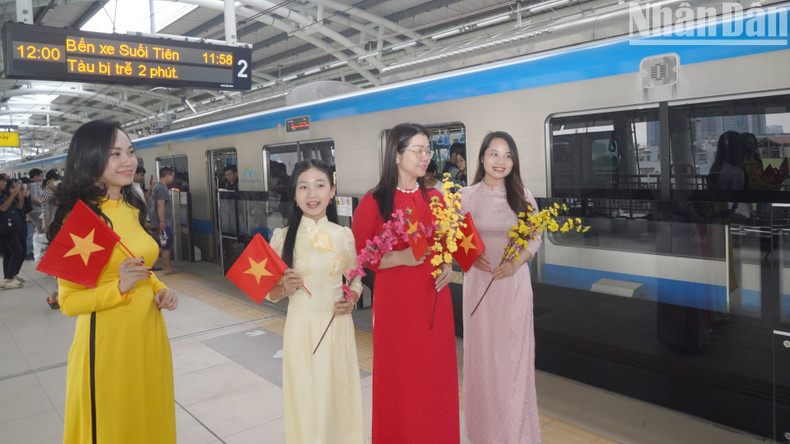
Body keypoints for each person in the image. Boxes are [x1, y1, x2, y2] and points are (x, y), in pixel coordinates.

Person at [50, 119, 178, 443]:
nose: (127, 161)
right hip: (108, 344)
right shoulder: (82, 218)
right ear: (90, 158)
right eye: (115, 154)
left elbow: (140, 268)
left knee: (148, 416)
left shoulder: (132, 207)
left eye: (130, 152)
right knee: (115, 426)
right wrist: (118, 288)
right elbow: (68, 302)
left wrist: (161, 290)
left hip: (148, 333)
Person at [351, 123, 459, 443]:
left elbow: (444, 245)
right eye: (418, 150)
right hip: (396, 307)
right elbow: (359, 257)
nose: (426, 157)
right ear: (396, 155)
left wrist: (449, 266)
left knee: (434, 378)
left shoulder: (437, 198)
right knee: (401, 379)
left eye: (428, 151)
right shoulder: (374, 201)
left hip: (434, 303)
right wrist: (400, 259)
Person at [266, 159, 366, 443]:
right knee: (306, 398)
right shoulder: (282, 238)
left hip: (338, 329)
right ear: (294, 195)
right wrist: (284, 288)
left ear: (332, 191)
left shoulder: (344, 236)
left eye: (320, 186)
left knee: (339, 396)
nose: (312, 194)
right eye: (304, 187)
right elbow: (269, 292)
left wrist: (353, 298)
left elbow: (356, 279)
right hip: (301, 329)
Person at [460, 131, 542, 443]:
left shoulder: (523, 195)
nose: (501, 161)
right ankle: (483, 434)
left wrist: (517, 262)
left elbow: (534, 237)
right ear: (481, 158)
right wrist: (470, 256)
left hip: (513, 288)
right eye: (494, 154)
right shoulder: (465, 197)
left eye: (507, 156)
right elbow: (453, 236)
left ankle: (514, 434)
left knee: (513, 362)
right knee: (481, 362)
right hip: (479, 287)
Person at [149, 167, 179, 274]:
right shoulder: (162, 188)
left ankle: (168, 266)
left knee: (164, 243)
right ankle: (150, 262)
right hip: (163, 221)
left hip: (157, 220)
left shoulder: (156, 186)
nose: (172, 178)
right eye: (172, 176)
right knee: (165, 244)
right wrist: (162, 221)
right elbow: (160, 205)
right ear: (167, 176)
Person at [0, 177, 25, 289]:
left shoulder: (4, 194)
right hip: (4, 230)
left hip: (9, 229)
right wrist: (13, 194)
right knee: (18, 251)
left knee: (8, 253)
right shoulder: (4, 196)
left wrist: (21, 193)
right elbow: (3, 208)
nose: (4, 183)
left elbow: (19, 206)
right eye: (2, 181)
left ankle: (8, 278)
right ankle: (9, 277)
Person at [40, 168, 60, 309]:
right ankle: (53, 296)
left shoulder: (53, 191)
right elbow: (47, 210)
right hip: (53, 226)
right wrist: (47, 228)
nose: (57, 183)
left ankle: (54, 295)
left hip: (58, 225)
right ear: (49, 181)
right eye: (55, 180)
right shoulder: (47, 192)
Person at [28, 168, 44, 258]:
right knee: (42, 230)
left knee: (40, 230)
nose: (42, 177)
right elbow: (34, 198)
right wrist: (43, 205)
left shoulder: (33, 184)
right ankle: (41, 251)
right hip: (36, 210)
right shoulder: (33, 185)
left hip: (35, 211)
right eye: (41, 175)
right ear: (35, 176)